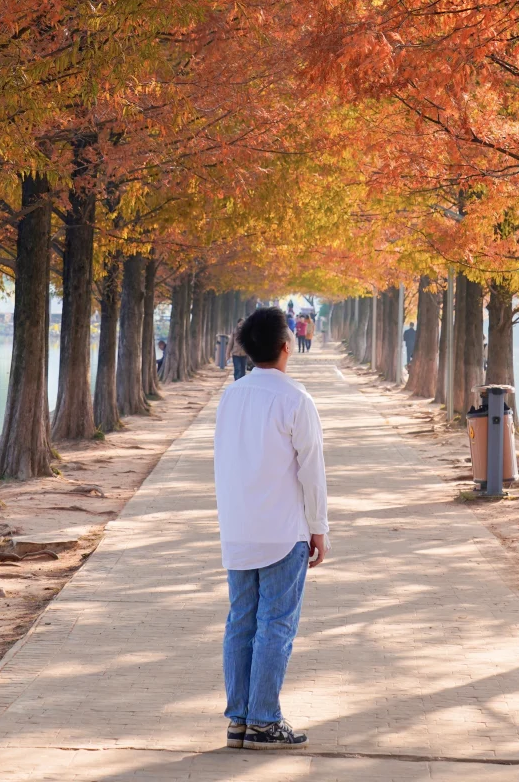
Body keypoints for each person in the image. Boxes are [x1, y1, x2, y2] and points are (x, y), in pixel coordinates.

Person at [213, 306, 328, 752]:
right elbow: (312, 472)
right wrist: (319, 527)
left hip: (238, 529)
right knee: (275, 624)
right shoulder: (295, 399)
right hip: (283, 531)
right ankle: (264, 720)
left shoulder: (231, 396)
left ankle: (239, 720)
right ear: (287, 347)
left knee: (240, 623)